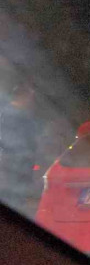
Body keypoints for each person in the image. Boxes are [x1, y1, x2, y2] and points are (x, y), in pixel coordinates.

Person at [0, 84, 39, 214]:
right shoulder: (16, 115)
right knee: (14, 199)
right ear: (22, 97)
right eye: (30, 97)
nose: (31, 101)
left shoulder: (7, 113)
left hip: (15, 164)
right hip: (15, 164)